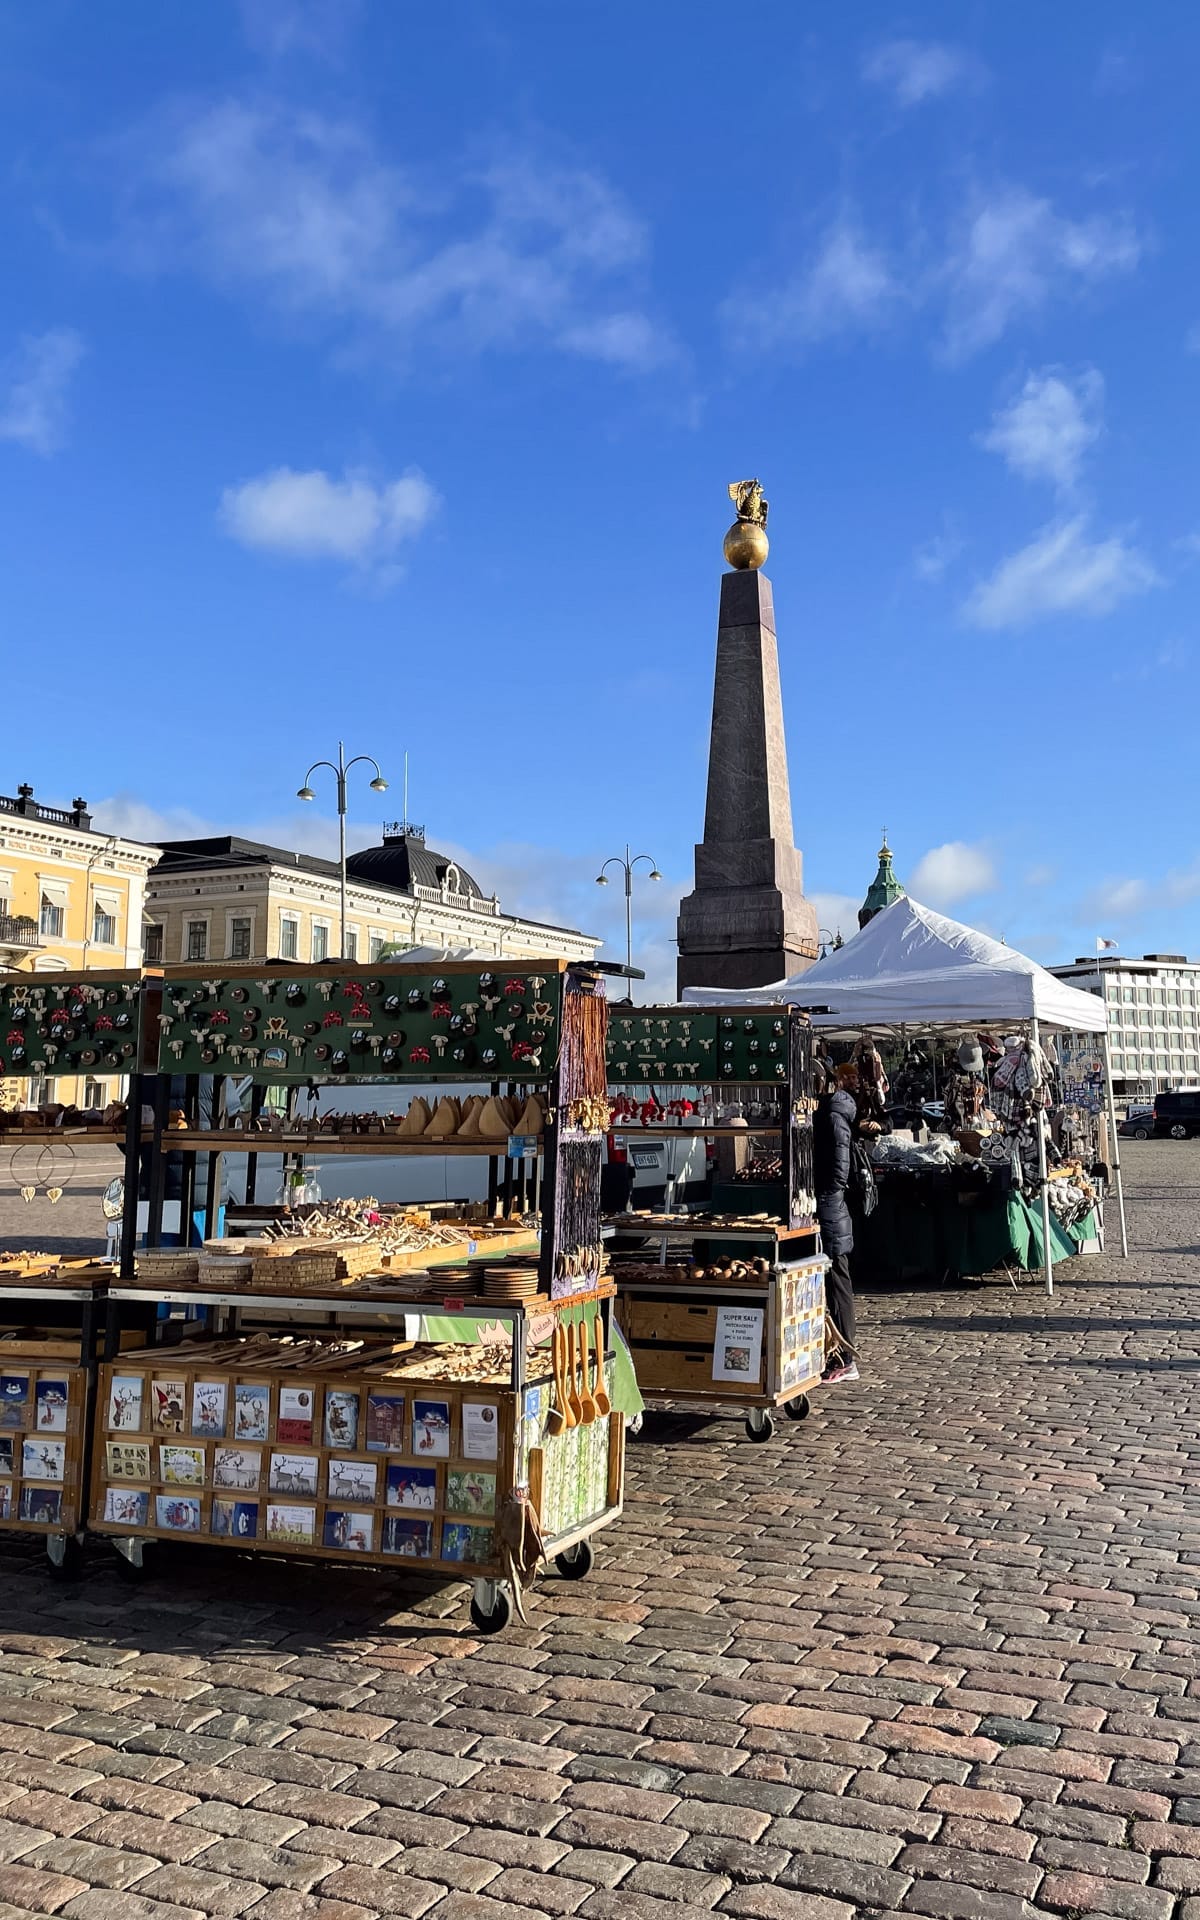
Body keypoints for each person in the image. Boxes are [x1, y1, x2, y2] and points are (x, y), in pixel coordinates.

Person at [813, 1062, 860, 1383]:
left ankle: (846, 1357)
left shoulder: (832, 1117)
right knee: (828, 1283)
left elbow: (838, 1170)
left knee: (837, 1284)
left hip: (831, 1209)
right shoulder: (827, 1114)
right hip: (827, 1206)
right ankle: (833, 1351)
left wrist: (825, 1197)